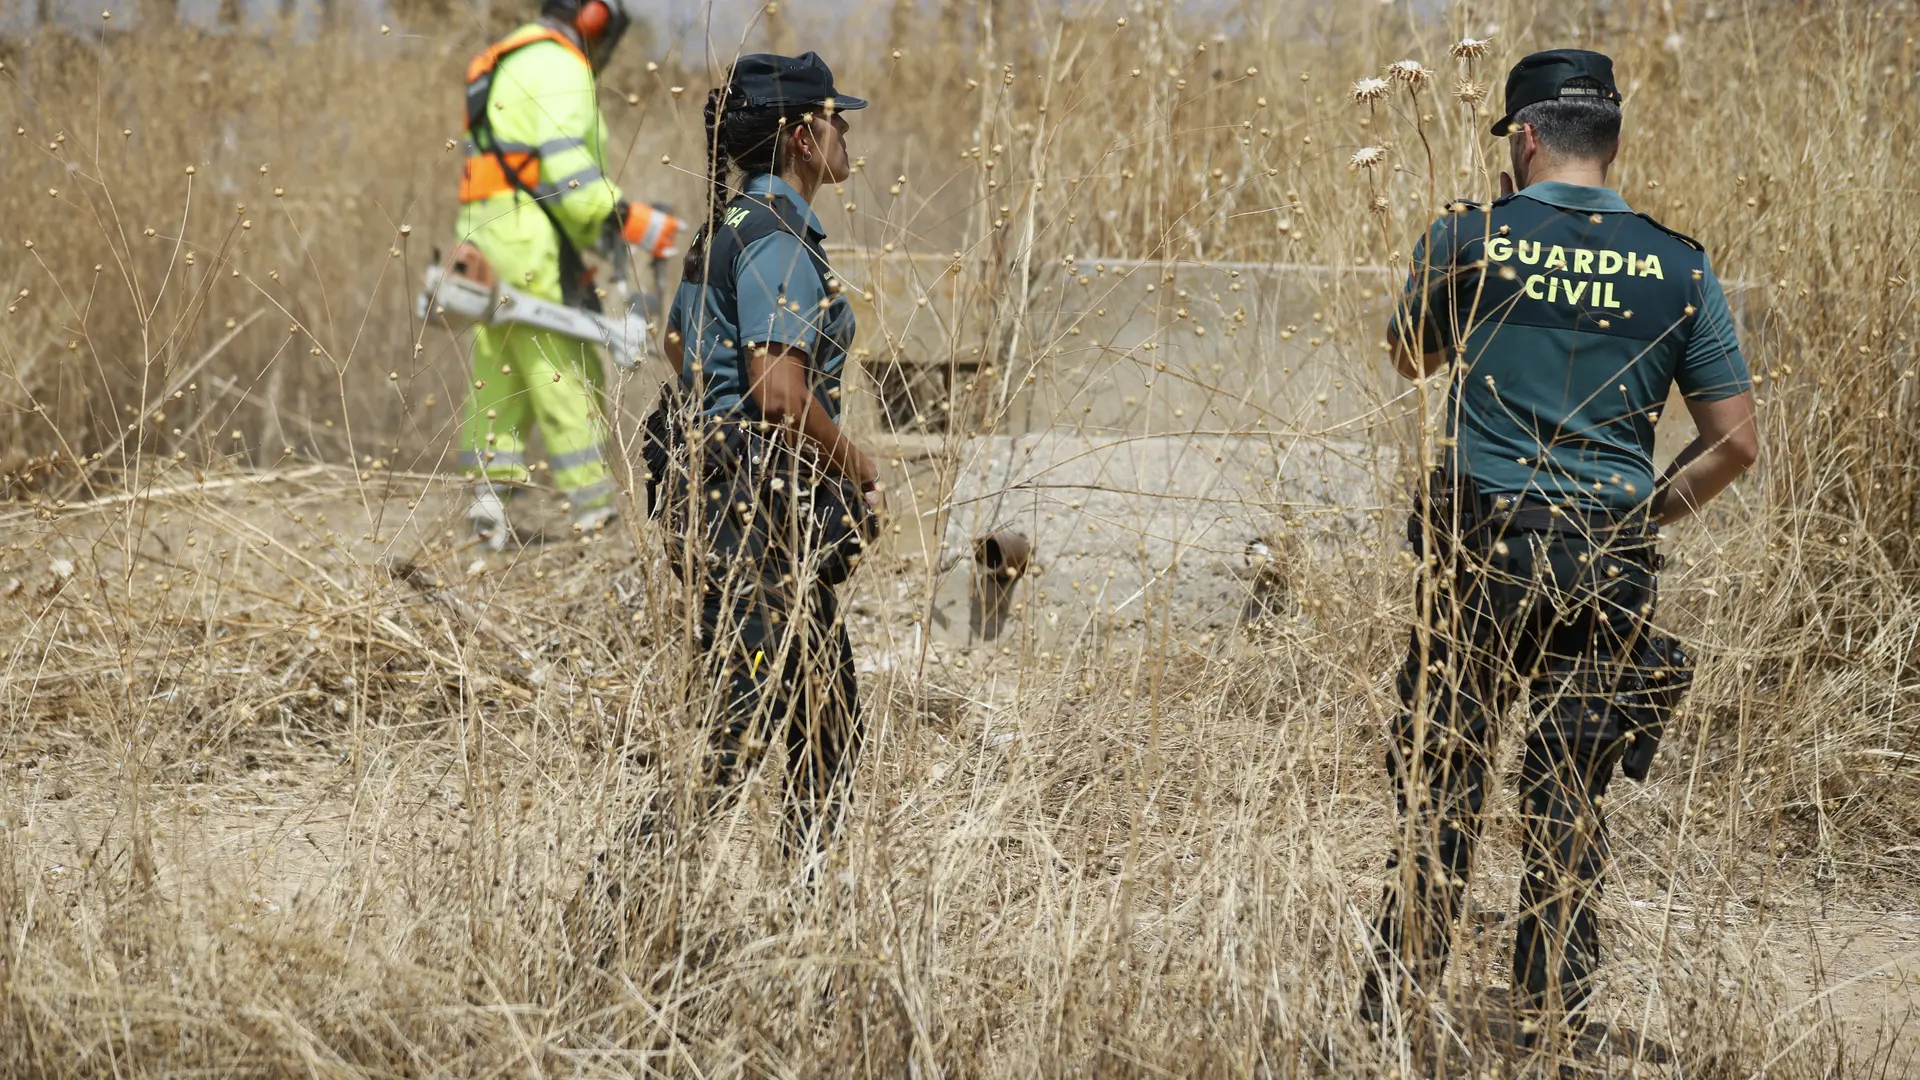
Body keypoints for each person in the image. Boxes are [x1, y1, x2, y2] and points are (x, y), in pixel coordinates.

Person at [1365, 49, 1758, 1054]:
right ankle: (1553, 1033)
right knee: (1569, 810)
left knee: (1446, 792)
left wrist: (1478, 246)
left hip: (1481, 552)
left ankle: (1388, 1029)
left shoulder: (1473, 237)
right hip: (1610, 553)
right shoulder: (1679, 263)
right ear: (1613, 142)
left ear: (1524, 140)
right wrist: (1645, 518)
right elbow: (1736, 444)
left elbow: (1412, 356)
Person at [648, 52, 880, 861]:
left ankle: (807, 922)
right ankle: (623, 906)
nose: (845, 130)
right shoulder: (780, 235)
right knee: (731, 739)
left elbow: (678, 345)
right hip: (759, 518)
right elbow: (778, 390)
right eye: (833, 117)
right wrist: (856, 463)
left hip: (731, 506)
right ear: (798, 137)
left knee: (827, 726)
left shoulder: (726, 229)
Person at [453, 0, 685, 548]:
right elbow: (571, 180)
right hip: (535, 243)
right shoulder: (559, 65)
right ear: (594, 17)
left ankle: (486, 519)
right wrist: (633, 220)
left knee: (499, 375)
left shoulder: (503, 58)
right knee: (566, 371)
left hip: (489, 234)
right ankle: (596, 521)